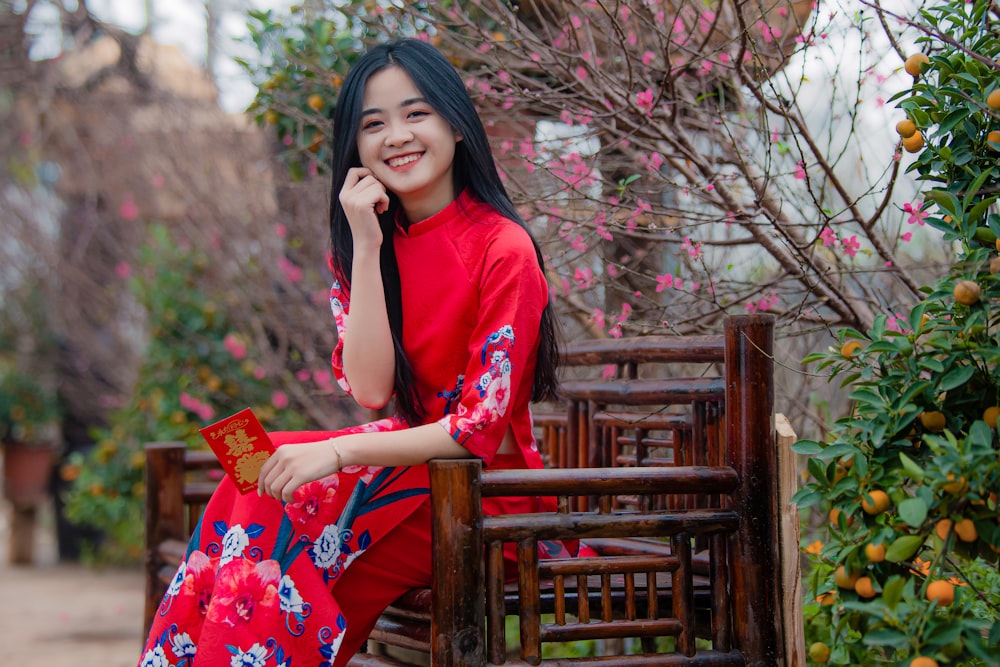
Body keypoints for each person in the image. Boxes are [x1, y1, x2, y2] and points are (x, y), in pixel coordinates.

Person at [138, 38, 573, 667]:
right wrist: (366, 246)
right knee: (254, 476)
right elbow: (372, 389)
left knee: (281, 509)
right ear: (356, 146)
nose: (397, 135)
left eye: (416, 113)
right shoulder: (365, 247)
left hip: (480, 500)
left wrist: (338, 451)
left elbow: (476, 431)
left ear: (455, 122)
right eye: (374, 124)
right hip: (408, 479)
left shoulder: (502, 247)